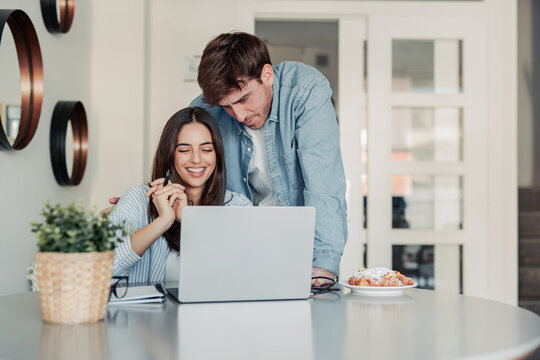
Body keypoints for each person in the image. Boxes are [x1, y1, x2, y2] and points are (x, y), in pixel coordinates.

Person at [190, 32, 347, 286]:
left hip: (301, 245)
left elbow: (324, 185)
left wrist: (322, 265)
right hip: (239, 246)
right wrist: (154, 200)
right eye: (227, 107)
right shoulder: (207, 107)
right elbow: (184, 163)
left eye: (243, 99)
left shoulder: (306, 91)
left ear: (267, 75)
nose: (239, 115)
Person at [108, 107, 251, 283]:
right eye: (184, 150)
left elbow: (245, 275)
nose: (197, 159)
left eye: (206, 149)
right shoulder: (138, 199)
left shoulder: (238, 207)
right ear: (169, 154)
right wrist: (163, 221)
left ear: (217, 154)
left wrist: (190, 220)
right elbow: (101, 271)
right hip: (147, 311)